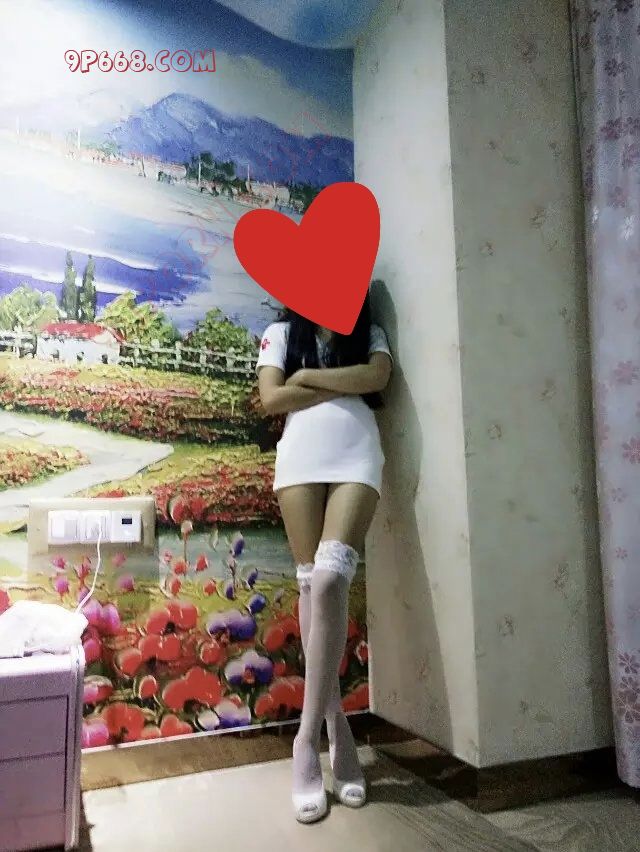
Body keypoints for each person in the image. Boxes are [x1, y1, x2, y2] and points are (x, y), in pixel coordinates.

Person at [255, 290, 393, 823]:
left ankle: (305, 736)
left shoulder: (368, 333)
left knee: (333, 577)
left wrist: (309, 378)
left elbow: (377, 377)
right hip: (300, 460)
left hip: (357, 456)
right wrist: (345, 380)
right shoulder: (281, 334)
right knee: (312, 583)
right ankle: (337, 728)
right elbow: (271, 399)